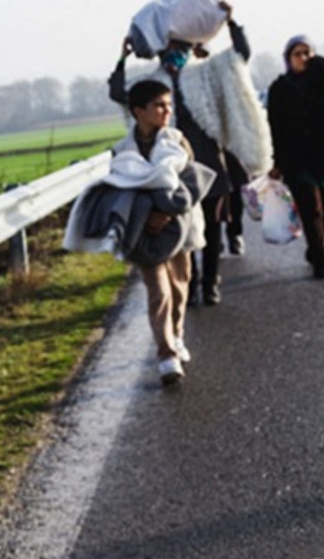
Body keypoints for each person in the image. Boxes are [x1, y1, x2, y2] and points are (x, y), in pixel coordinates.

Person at [109, 0, 269, 308]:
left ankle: (210, 284)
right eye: (167, 48)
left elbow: (240, 56)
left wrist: (233, 23)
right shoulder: (152, 82)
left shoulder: (207, 72)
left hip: (209, 164)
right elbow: (120, 94)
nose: (173, 54)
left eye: (178, 47)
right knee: (182, 231)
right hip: (174, 168)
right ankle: (191, 282)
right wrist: (122, 58)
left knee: (211, 226)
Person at [65, 80, 214, 384]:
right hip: (143, 233)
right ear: (138, 111)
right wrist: (144, 216)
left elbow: (190, 182)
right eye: (159, 105)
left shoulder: (177, 141)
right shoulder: (121, 151)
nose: (166, 111)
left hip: (179, 226)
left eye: (168, 105)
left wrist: (165, 213)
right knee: (158, 291)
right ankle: (166, 354)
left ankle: (177, 333)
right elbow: (121, 190)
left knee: (179, 286)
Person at [266, 36, 324, 279]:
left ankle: (315, 248)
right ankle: (320, 260)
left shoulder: (322, 81)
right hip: (296, 158)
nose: (303, 58)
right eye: (297, 54)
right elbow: (276, 126)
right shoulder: (279, 88)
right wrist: (277, 162)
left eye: (307, 53)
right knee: (310, 209)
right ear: (287, 58)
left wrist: (314, 59)